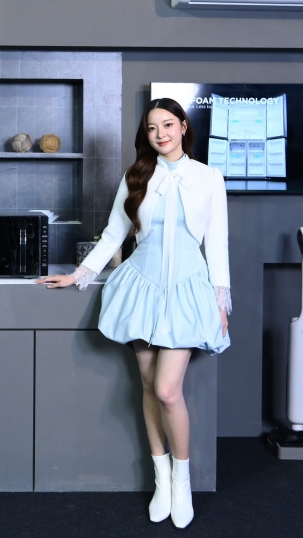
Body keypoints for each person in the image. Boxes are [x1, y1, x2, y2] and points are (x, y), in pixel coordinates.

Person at [36, 98, 231, 528]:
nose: (161, 134)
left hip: (186, 290)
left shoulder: (209, 177)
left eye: (168, 125)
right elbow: (114, 234)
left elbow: (217, 244)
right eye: (152, 128)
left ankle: (182, 480)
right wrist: (78, 275)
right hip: (141, 287)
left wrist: (222, 301)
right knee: (147, 384)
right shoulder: (136, 176)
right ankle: (161, 478)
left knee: (166, 389)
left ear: (183, 126)